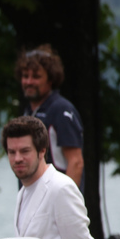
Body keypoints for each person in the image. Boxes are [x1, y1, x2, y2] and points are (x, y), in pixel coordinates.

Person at [18, 44, 84, 189]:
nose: (29, 82)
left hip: (55, 200)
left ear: (51, 79)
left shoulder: (61, 109)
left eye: (36, 76)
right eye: (25, 76)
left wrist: (65, 201)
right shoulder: (28, 112)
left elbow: (76, 162)